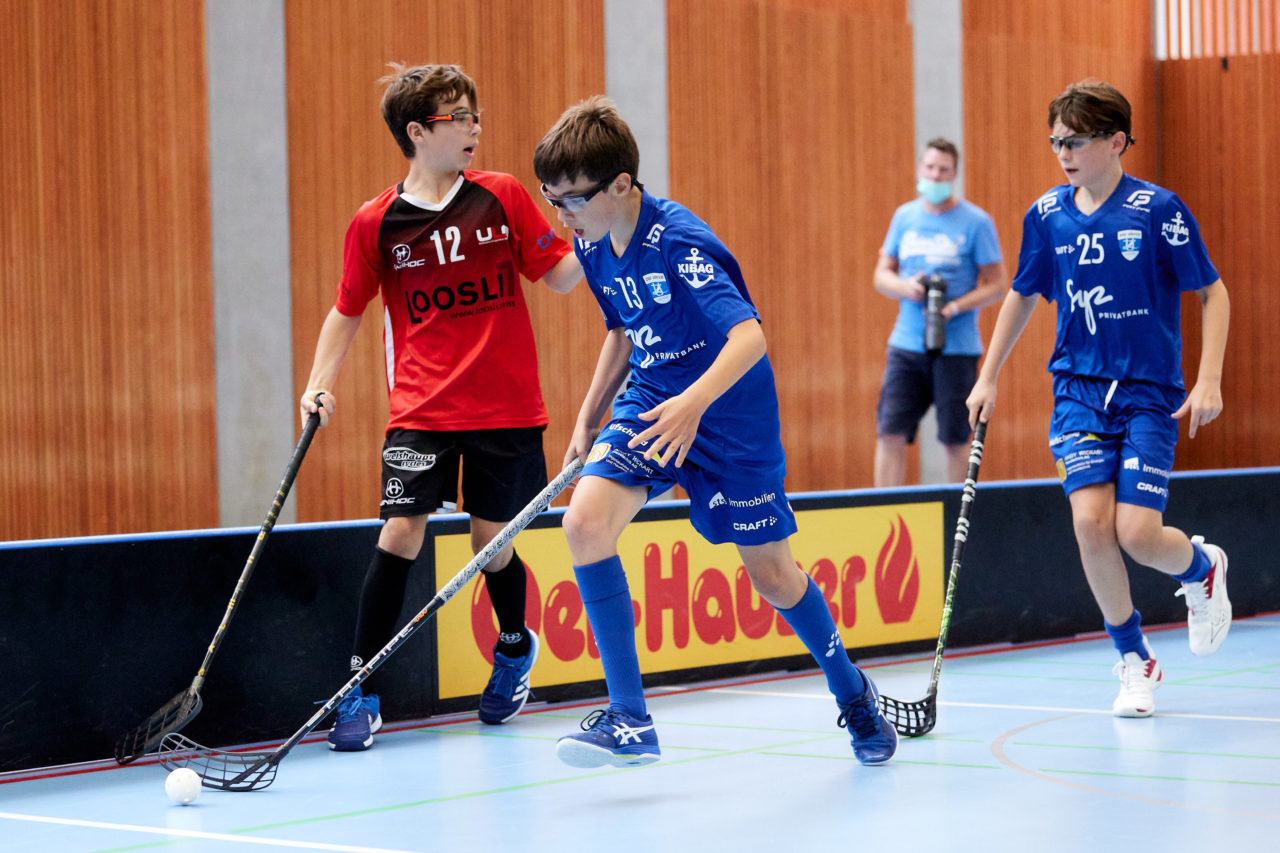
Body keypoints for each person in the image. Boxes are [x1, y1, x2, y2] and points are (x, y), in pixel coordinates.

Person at [531, 96, 897, 768]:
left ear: (618, 185)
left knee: (773, 577)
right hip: (652, 397)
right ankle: (630, 719)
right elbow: (622, 327)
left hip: (728, 415)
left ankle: (851, 690)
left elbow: (749, 336)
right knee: (583, 524)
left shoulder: (680, 242)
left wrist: (694, 404)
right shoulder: (593, 241)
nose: (562, 217)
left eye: (570, 200)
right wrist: (588, 417)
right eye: (551, 200)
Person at [300, 63, 582, 751]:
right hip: (421, 406)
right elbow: (347, 310)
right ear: (418, 131)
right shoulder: (376, 222)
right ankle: (358, 690)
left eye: (475, 114)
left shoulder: (503, 196)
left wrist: (606, 232)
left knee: (492, 545)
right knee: (400, 532)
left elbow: (563, 275)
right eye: (460, 117)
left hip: (508, 408)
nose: (475, 126)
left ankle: (514, 649)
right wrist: (316, 383)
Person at [966, 79, 1231, 718]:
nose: (1063, 152)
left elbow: (1212, 294)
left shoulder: (1158, 210)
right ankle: (1134, 660)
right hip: (1079, 392)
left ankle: (1201, 569)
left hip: (1148, 393)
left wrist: (1209, 378)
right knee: (1090, 524)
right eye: (1055, 141)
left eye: (1076, 140)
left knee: (1136, 534)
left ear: (1116, 141)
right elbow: (1023, 294)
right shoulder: (1046, 214)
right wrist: (988, 374)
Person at [874, 138, 1007, 486]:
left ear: (954, 174)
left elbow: (997, 284)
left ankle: (954, 521)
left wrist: (955, 307)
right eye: (930, 167)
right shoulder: (905, 216)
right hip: (906, 345)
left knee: (955, 439)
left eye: (943, 170)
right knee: (890, 431)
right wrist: (906, 287)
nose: (935, 175)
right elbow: (881, 274)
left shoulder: (976, 222)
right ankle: (884, 511)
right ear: (920, 169)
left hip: (957, 348)